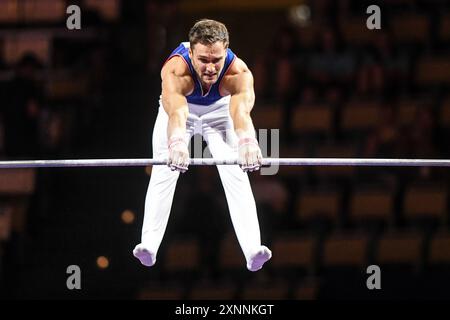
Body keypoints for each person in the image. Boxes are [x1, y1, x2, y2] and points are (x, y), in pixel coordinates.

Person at [133, 19, 272, 272]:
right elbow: (176, 111)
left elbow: (241, 112)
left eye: (216, 60)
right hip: (178, 111)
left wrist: (248, 142)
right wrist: (176, 142)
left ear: (226, 49)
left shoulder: (238, 73)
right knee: (164, 170)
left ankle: (253, 249)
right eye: (203, 60)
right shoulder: (176, 70)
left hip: (220, 112)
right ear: (191, 52)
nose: (210, 67)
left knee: (236, 172)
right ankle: (149, 245)